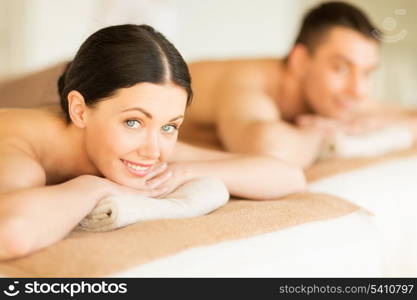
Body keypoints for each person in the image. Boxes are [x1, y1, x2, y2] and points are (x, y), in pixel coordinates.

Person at [0, 25, 305, 260]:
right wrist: (93, 187)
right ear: (79, 110)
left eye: (170, 126)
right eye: (133, 122)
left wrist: (181, 173)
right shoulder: (17, 148)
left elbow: (289, 177)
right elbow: (10, 233)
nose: (153, 151)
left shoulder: (142, 144)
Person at [179, 1, 417, 168]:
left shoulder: (334, 92)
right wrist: (322, 133)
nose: (358, 90)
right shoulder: (246, 84)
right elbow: (268, 151)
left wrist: (373, 121)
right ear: (301, 60)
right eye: (341, 68)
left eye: (366, 73)